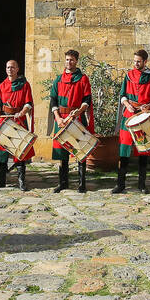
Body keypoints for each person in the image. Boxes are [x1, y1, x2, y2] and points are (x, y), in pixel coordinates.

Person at [115, 49, 150, 194]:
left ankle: (142, 185)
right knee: (124, 150)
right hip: (129, 113)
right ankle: (120, 184)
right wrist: (127, 104)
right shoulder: (128, 76)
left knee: (143, 151)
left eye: (138, 61)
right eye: (134, 61)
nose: (135, 63)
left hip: (144, 115)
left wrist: (149, 105)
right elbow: (122, 95)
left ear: (145, 62)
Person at [49, 49, 93, 194]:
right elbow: (53, 100)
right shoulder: (58, 79)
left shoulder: (83, 79)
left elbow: (87, 100)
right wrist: (57, 117)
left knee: (80, 150)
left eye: (72, 60)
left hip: (77, 118)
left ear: (76, 61)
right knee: (62, 152)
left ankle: (82, 184)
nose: (69, 62)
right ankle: (63, 183)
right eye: (67, 59)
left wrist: (78, 112)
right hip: (61, 118)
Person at [0, 58, 34, 191]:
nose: (10, 69)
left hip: (18, 120)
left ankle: (21, 181)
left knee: (19, 149)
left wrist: (22, 112)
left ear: (17, 69)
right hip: (4, 120)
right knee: (1, 150)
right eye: (8, 67)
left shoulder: (24, 85)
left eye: (13, 67)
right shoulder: (1, 86)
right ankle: (0, 181)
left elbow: (28, 103)